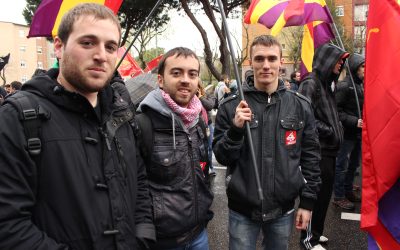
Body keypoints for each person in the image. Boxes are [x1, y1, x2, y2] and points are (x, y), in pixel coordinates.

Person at [0, 3, 155, 249]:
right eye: (87, 43)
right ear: (59, 46)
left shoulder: (122, 113)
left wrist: (143, 237)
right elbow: (8, 225)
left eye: (110, 46)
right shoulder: (17, 117)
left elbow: (140, 183)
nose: (101, 55)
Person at [213, 35, 321, 250]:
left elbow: (311, 158)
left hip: (283, 210)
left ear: (281, 62)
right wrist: (235, 130)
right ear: (251, 62)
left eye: (272, 58)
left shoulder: (300, 105)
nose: (266, 65)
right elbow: (222, 157)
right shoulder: (231, 106)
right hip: (242, 210)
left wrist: (307, 203)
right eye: (259, 59)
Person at [136, 47, 214, 249]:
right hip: (163, 242)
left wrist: (205, 209)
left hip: (199, 234)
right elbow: (136, 185)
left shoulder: (199, 121)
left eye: (192, 74)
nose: (186, 80)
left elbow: (202, 171)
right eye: (176, 73)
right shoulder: (143, 123)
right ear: (160, 80)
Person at [298, 43, 349, 250]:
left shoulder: (327, 84)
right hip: (317, 152)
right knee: (314, 197)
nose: (340, 65)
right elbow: (303, 116)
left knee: (324, 197)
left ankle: (316, 234)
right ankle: (308, 240)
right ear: (326, 60)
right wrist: (329, 130)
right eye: (337, 60)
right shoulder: (311, 82)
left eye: (342, 61)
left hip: (329, 152)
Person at [333, 54, 365, 210]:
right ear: (354, 68)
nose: (366, 69)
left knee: (353, 166)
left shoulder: (362, 85)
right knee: (341, 165)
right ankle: (338, 196)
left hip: (358, 134)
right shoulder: (344, 86)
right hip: (346, 134)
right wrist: (354, 121)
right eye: (363, 66)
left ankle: (348, 190)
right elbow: (336, 112)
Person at [197, 80, 217, 176]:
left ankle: (210, 167)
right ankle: (202, 168)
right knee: (200, 149)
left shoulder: (208, 95)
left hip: (208, 125)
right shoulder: (191, 96)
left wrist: (200, 97)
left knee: (209, 147)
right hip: (197, 126)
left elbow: (210, 106)